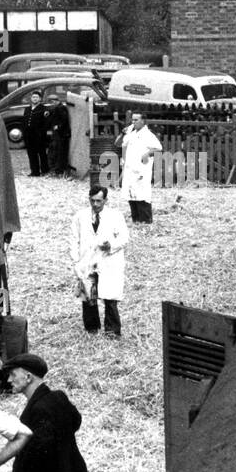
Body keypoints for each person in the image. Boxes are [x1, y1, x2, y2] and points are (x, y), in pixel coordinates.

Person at [69, 186, 128, 337]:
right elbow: (74, 240)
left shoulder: (115, 216)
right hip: (87, 260)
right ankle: (92, 328)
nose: (95, 204)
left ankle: (112, 331)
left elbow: (124, 238)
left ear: (105, 200)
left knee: (110, 297)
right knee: (88, 294)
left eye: (99, 201)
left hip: (108, 260)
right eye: (92, 200)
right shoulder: (80, 216)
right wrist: (76, 261)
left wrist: (111, 245)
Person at [117, 112, 162, 223]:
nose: (133, 122)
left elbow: (158, 148)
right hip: (130, 169)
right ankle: (136, 220)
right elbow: (118, 144)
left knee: (142, 195)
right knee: (131, 195)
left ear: (143, 121)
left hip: (141, 170)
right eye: (132, 120)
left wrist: (147, 154)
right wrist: (123, 133)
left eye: (136, 120)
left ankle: (146, 221)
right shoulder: (131, 135)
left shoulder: (148, 135)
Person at [24, 91, 49, 177]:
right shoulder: (27, 109)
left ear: (40, 99)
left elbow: (46, 123)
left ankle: (45, 170)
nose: (35, 99)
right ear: (31, 99)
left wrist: (42, 133)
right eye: (33, 97)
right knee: (31, 154)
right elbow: (24, 122)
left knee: (42, 153)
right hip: (29, 135)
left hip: (39, 135)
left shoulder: (43, 109)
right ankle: (34, 171)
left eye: (36, 97)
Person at [47, 94, 71, 176]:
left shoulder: (60, 108)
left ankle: (58, 170)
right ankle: (56, 169)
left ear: (56, 101)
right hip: (57, 133)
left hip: (60, 134)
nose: (52, 103)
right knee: (56, 151)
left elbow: (64, 120)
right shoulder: (56, 108)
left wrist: (58, 127)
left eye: (53, 102)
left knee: (59, 152)